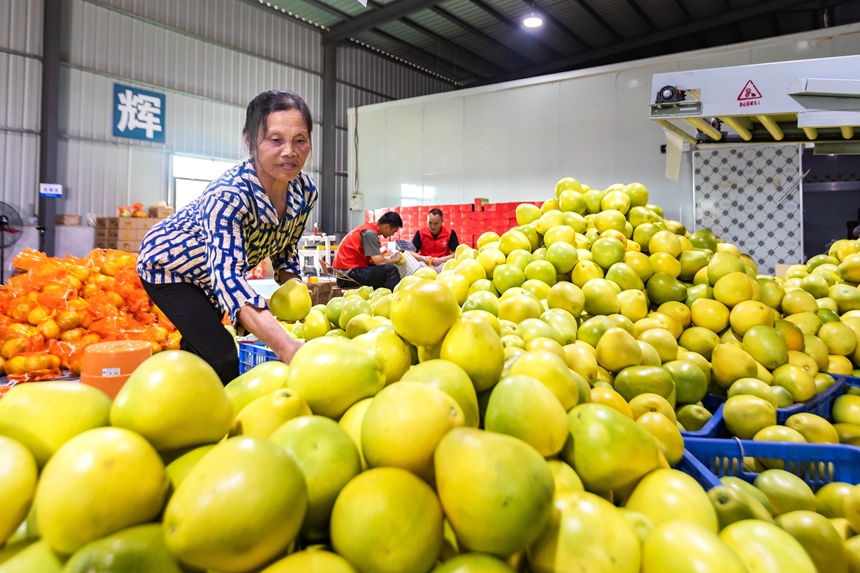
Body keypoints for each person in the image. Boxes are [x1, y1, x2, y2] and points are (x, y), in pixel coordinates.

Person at [137, 90, 316, 384]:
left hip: (210, 274)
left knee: (200, 346)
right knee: (221, 354)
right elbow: (229, 282)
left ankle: (178, 397)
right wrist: (287, 348)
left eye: (300, 140)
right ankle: (212, 412)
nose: (290, 151)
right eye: (275, 140)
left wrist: (295, 295)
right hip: (170, 269)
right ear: (249, 139)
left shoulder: (304, 190)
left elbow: (285, 249)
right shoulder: (229, 195)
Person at [331, 212, 403, 290]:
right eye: (394, 231)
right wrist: (395, 259)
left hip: (345, 273)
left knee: (382, 271)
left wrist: (388, 259)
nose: (393, 234)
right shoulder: (370, 233)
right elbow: (379, 261)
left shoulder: (368, 229)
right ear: (387, 227)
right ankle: (395, 298)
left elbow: (374, 261)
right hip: (347, 275)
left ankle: (379, 298)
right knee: (391, 270)